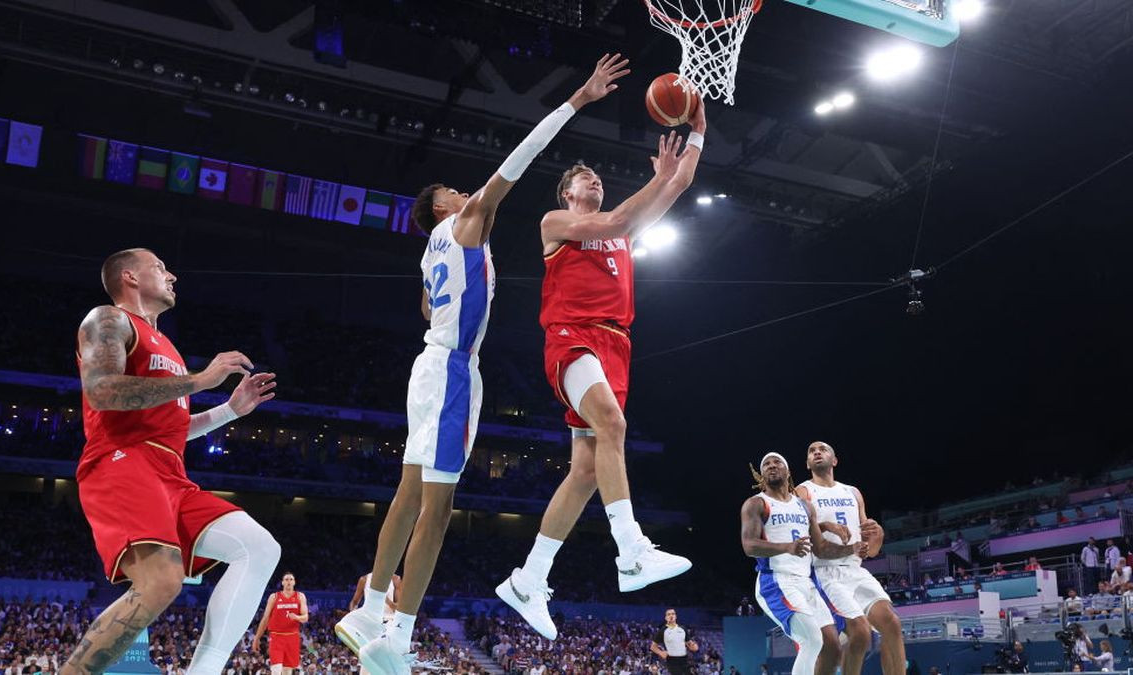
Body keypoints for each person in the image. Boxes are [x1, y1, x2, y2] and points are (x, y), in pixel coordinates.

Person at [334, 54, 631, 675]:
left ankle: (374, 616)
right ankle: (394, 633)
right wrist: (577, 100)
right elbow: (517, 162)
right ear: (444, 209)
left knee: (409, 494)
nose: (466, 193)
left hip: (430, 363)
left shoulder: (429, 253)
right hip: (449, 372)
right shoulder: (469, 223)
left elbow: (425, 308)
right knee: (437, 509)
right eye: (453, 193)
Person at [498, 82, 708, 641]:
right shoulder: (556, 225)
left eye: (597, 178)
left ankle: (528, 579)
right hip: (572, 338)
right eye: (583, 178)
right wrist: (656, 178)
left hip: (616, 346)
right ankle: (631, 549)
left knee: (587, 471)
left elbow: (681, 182)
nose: (593, 180)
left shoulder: (622, 231)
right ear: (568, 193)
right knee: (613, 424)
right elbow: (615, 220)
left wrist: (698, 132)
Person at [62, 248, 280, 675]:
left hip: (171, 473)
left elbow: (173, 427)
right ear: (129, 276)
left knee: (259, 547)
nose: (172, 276)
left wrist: (229, 411)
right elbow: (102, 391)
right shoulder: (108, 319)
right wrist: (200, 381)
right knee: (162, 581)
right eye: (160, 268)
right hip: (121, 460)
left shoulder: (168, 347)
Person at [741, 452, 869, 675]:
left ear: (788, 470)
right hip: (776, 581)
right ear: (761, 475)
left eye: (777, 462)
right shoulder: (756, 504)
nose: (772, 466)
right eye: (766, 465)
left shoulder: (805, 507)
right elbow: (749, 546)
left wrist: (852, 549)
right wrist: (787, 547)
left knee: (831, 644)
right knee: (811, 639)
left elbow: (821, 549)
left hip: (806, 582)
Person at [795, 442, 903, 675]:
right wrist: (827, 528)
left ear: (835, 460)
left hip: (855, 570)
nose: (816, 452)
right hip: (824, 572)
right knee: (859, 634)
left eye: (822, 449)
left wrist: (876, 538)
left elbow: (869, 546)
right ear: (807, 464)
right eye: (811, 451)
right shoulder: (803, 492)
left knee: (891, 623)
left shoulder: (852, 492)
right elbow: (801, 534)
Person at [253, 572, 308, 675]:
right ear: (282, 582)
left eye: (291, 579)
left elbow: (305, 617)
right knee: (276, 670)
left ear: (294, 582)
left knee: (287, 672)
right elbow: (265, 619)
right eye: (286, 579)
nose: (289, 581)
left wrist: (296, 617)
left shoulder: (300, 596)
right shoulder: (274, 597)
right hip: (276, 637)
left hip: (292, 637)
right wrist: (257, 638)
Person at [650, 608, 698, 675]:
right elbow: (653, 647)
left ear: (676, 616)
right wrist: (660, 653)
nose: (671, 616)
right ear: (666, 618)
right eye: (669, 614)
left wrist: (694, 647)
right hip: (672, 660)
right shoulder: (662, 631)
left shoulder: (683, 629)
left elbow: (689, 643)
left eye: (673, 614)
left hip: (685, 659)